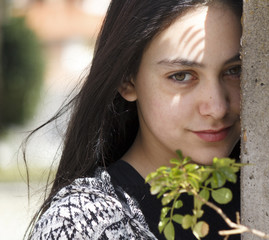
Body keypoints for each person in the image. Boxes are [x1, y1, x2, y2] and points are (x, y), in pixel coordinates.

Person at [26, 0, 242, 239]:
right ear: (127, 81)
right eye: (181, 76)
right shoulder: (85, 224)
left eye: (234, 70)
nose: (218, 107)